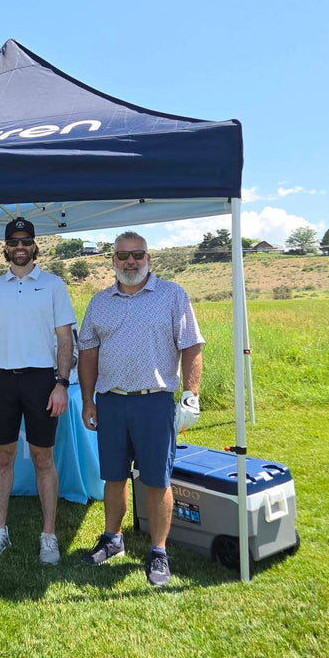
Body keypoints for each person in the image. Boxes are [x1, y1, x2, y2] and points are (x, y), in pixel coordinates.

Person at [76, 231, 204, 587]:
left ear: (149, 258)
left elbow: (191, 347)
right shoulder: (100, 302)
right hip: (111, 401)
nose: (130, 261)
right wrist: (88, 399)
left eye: (137, 255)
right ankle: (112, 539)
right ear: (113, 260)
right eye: (123, 255)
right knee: (113, 477)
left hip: (154, 400)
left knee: (156, 479)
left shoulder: (172, 296)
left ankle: (158, 550)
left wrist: (191, 394)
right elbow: (87, 353)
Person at [0, 217, 75, 564]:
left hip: (42, 379)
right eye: (13, 242)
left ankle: (49, 535)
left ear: (34, 246)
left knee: (44, 458)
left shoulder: (54, 285)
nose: (20, 247)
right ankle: (0, 530)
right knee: (3, 457)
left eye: (25, 241)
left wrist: (61, 383)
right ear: (5, 247)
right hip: (1, 379)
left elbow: (64, 339)